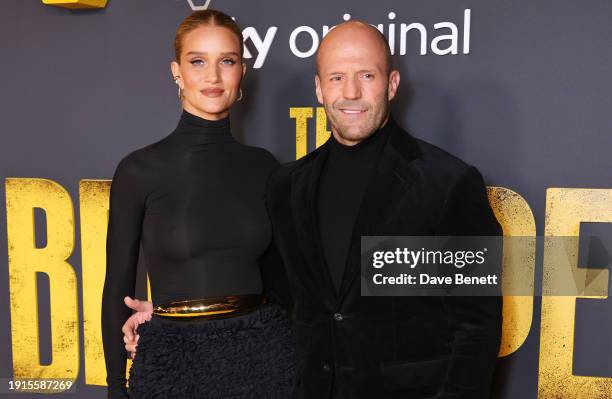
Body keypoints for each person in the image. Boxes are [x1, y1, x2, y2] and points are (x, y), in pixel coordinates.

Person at [123, 20, 502, 399]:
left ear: (392, 84)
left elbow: (478, 326)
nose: (351, 92)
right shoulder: (288, 185)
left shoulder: (449, 182)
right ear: (319, 89)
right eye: (337, 77)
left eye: (366, 75)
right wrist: (179, 311)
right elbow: (275, 294)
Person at [101, 10, 296, 399]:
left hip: (263, 357)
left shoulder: (264, 167)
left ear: (242, 70)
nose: (213, 76)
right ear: (177, 71)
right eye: (198, 61)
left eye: (227, 60)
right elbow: (116, 288)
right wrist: (115, 386)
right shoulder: (140, 170)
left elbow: (284, 284)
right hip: (173, 360)